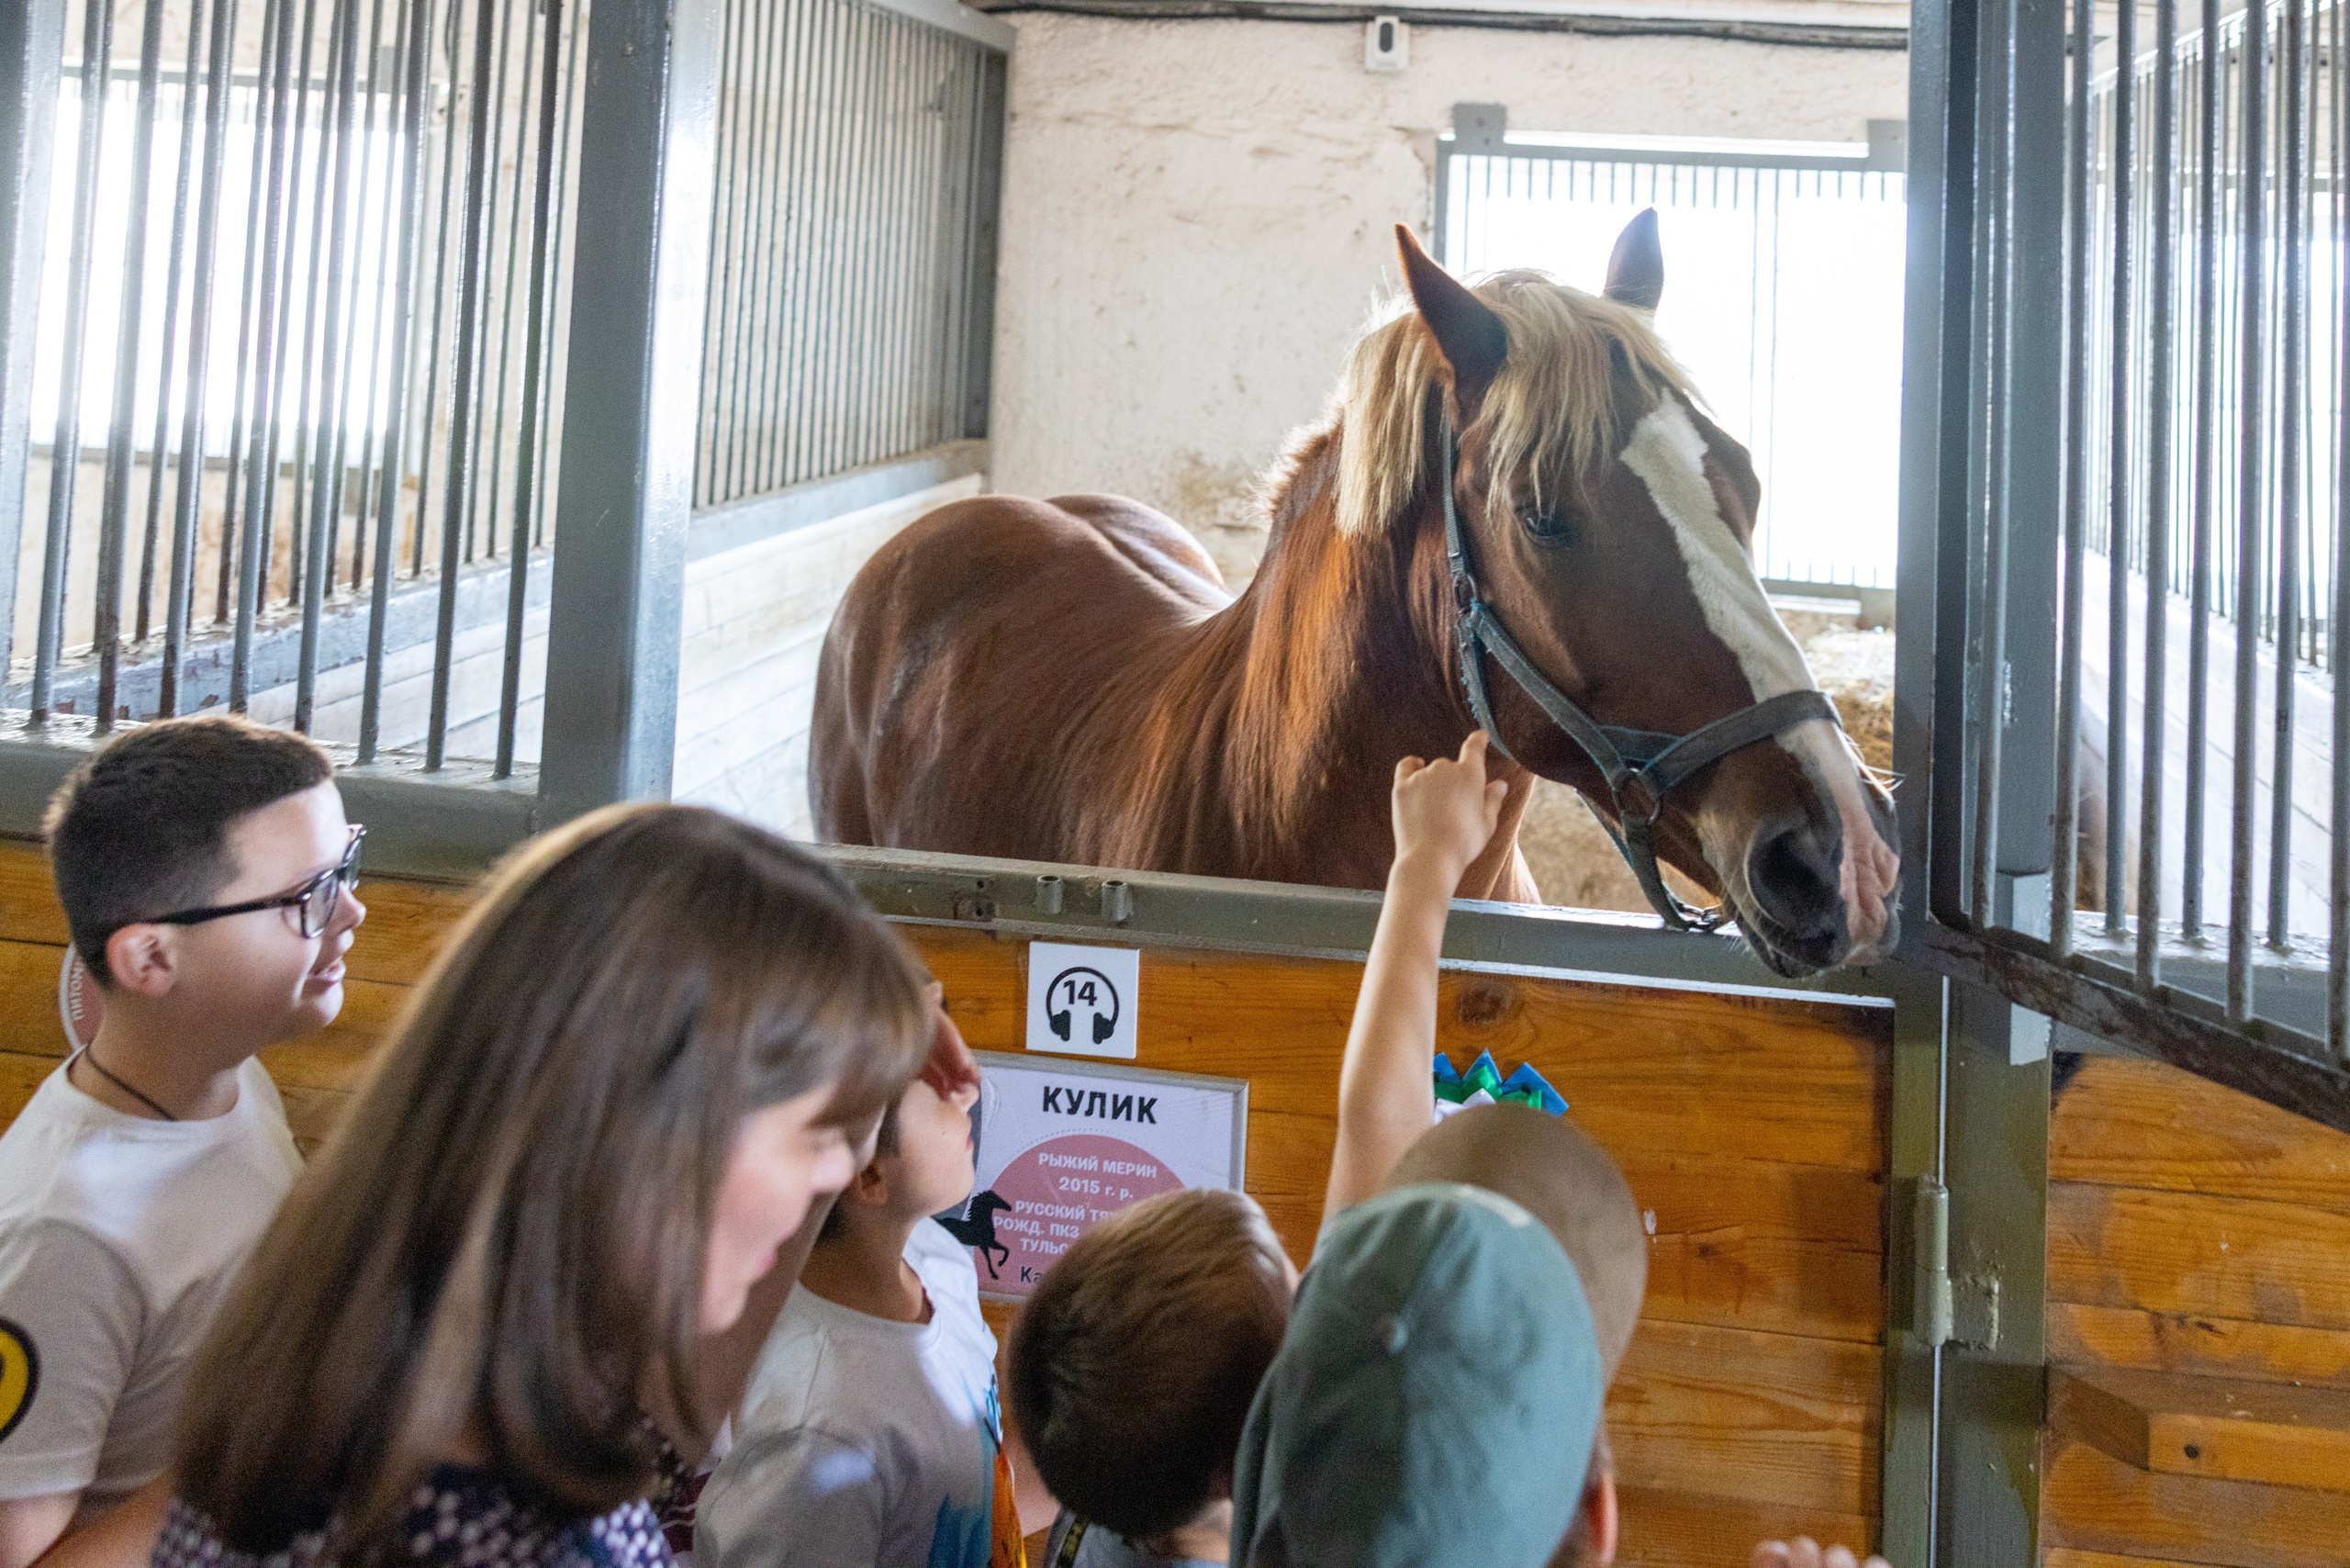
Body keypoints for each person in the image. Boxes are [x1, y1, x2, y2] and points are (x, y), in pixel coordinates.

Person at [151, 803, 955, 1568]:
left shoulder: (383, 1381)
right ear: (650, 1137)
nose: (841, 1173)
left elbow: (676, 1426)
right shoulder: (492, 1539)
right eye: (815, 1136)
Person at [1009, 734, 1509, 1567]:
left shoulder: (1099, 1512)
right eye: (1295, 1285)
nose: (1317, 1279)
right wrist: (1425, 863)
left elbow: (1371, 1141)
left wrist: (1423, 868)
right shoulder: (1336, 1531)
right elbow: (1376, 1132)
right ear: (1238, 1465)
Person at [0, 716, 366, 1568]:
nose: (352, 911)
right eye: (307, 895)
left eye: (345, 864)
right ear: (150, 960)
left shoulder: (235, 1078)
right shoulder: (66, 1236)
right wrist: (275, 1433)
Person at [697, 981, 1025, 1568]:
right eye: (932, 1083)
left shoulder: (936, 1258)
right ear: (866, 1172)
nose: (970, 1090)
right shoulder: (816, 1443)